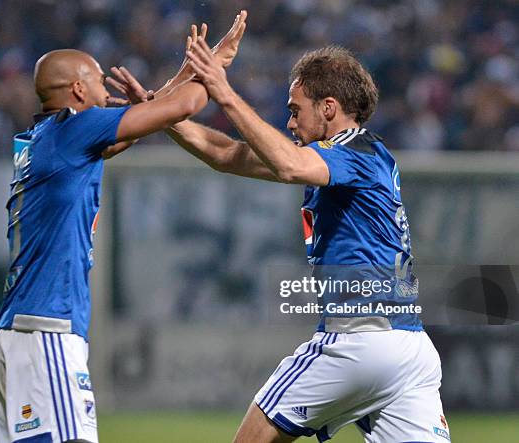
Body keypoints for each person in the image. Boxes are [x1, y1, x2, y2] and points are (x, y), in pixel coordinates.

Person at [110, 39, 450, 442]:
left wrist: (224, 93)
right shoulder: (356, 157)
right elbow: (227, 155)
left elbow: (287, 165)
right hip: (410, 349)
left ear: (328, 108)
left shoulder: (351, 152)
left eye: (295, 110)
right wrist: (161, 116)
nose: (290, 123)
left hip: (358, 340)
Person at [0, 12, 247, 443]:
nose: (104, 91)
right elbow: (184, 107)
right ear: (77, 90)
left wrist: (183, 73)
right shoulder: (74, 130)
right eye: (96, 82)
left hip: (22, 331)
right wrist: (212, 67)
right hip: (49, 328)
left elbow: (140, 124)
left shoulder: (44, 140)